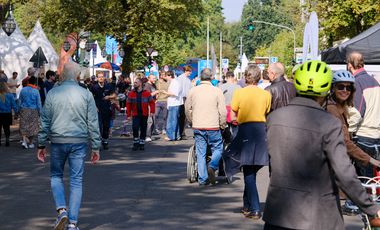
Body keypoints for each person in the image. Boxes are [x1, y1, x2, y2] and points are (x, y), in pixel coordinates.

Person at [263, 60, 380, 230]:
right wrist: (371, 209)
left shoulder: (274, 118)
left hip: (279, 213)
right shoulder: (329, 123)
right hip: (317, 216)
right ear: (327, 90)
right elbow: (344, 173)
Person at [37, 61, 100, 230]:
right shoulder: (86, 94)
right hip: (79, 141)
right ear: (78, 76)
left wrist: (41, 144)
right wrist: (96, 146)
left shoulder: (53, 93)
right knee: (76, 181)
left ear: (62, 75)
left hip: (58, 141)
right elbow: (93, 122)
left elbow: (45, 121)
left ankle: (62, 210)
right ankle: (72, 223)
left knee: (56, 176)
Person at [327, 70, 380, 216]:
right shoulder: (332, 109)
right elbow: (344, 141)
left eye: (348, 87)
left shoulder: (340, 107)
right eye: (340, 87)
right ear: (333, 88)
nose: (345, 90)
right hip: (328, 169)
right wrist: (370, 160)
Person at [223, 64, 271, 220]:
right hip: (261, 131)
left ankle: (255, 208)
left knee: (248, 171)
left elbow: (234, 110)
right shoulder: (265, 94)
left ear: (246, 77)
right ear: (259, 77)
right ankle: (247, 204)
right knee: (251, 170)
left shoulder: (240, 92)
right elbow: (267, 111)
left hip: (245, 131)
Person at [185, 68, 226, 186]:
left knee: (200, 152)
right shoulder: (217, 91)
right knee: (218, 148)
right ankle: (212, 166)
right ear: (211, 77)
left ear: (200, 77)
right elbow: (222, 112)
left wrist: (192, 121)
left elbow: (187, 109)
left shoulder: (193, 91)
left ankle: (203, 179)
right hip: (213, 125)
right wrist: (222, 124)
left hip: (198, 125)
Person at [346, 51, 380, 178]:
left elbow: (357, 112)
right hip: (376, 136)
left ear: (349, 65)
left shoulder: (356, 82)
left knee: (363, 181)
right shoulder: (374, 81)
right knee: (373, 181)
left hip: (363, 137)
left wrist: (349, 132)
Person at [126, 78, 155, 151]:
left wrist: (152, 111)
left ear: (140, 84)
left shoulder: (147, 93)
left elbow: (152, 102)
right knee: (135, 128)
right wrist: (128, 115)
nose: (134, 84)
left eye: (136, 82)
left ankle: (142, 143)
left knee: (143, 128)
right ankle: (135, 143)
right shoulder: (131, 93)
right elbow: (128, 104)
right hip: (135, 114)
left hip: (144, 114)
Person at [90, 72, 116, 150]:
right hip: (98, 109)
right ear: (97, 78)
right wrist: (94, 107)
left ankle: (105, 141)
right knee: (98, 126)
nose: (101, 78)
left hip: (107, 109)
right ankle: (98, 143)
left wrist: (109, 96)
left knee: (106, 126)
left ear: (104, 78)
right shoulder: (94, 87)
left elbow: (114, 95)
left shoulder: (109, 85)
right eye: (99, 77)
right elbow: (90, 98)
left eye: (102, 77)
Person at [19, 75, 41, 149]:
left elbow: (20, 101)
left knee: (24, 126)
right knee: (33, 127)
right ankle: (31, 143)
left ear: (28, 82)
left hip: (24, 109)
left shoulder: (23, 90)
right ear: (35, 83)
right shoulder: (36, 91)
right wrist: (40, 112)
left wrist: (18, 110)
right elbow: (38, 103)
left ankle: (24, 140)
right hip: (33, 110)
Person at [218, 71, 241, 141]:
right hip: (234, 111)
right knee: (235, 129)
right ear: (233, 77)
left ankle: (225, 142)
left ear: (226, 78)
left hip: (224, 110)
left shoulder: (220, 87)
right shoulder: (238, 87)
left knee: (224, 128)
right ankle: (234, 144)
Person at [163, 70, 183, 141]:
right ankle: (176, 135)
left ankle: (171, 136)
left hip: (174, 104)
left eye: (166, 76)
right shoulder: (174, 82)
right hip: (174, 103)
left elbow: (175, 93)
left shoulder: (175, 83)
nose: (165, 77)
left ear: (169, 76)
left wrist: (166, 93)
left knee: (171, 121)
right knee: (174, 120)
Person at [0, 74, 18, 146]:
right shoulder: (10, 95)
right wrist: (16, 112)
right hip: (7, 113)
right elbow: (14, 105)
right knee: (6, 127)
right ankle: (7, 140)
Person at [177, 66, 193, 139]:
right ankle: (181, 133)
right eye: (189, 71)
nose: (190, 72)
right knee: (182, 116)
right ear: (186, 71)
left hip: (186, 98)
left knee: (185, 117)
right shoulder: (180, 78)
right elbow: (180, 90)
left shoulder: (188, 79)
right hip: (182, 98)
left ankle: (182, 133)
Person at [144, 74, 159, 142]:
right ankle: (147, 136)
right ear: (149, 78)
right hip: (148, 105)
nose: (154, 79)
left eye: (155, 78)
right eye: (153, 78)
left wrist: (156, 96)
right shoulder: (147, 85)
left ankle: (149, 135)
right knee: (149, 121)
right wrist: (155, 92)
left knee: (153, 120)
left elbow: (155, 94)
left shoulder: (153, 85)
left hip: (153, 104)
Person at [155, 71, 170, 135]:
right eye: (163, 75)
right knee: (155, 115)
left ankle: (164, 129)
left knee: (165, 116)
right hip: (157, 101)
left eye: (165, 75)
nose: (164, 76)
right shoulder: (156, 82)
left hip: (165, 100)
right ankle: (156, 128)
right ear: (160, 75)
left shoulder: (168, 82)